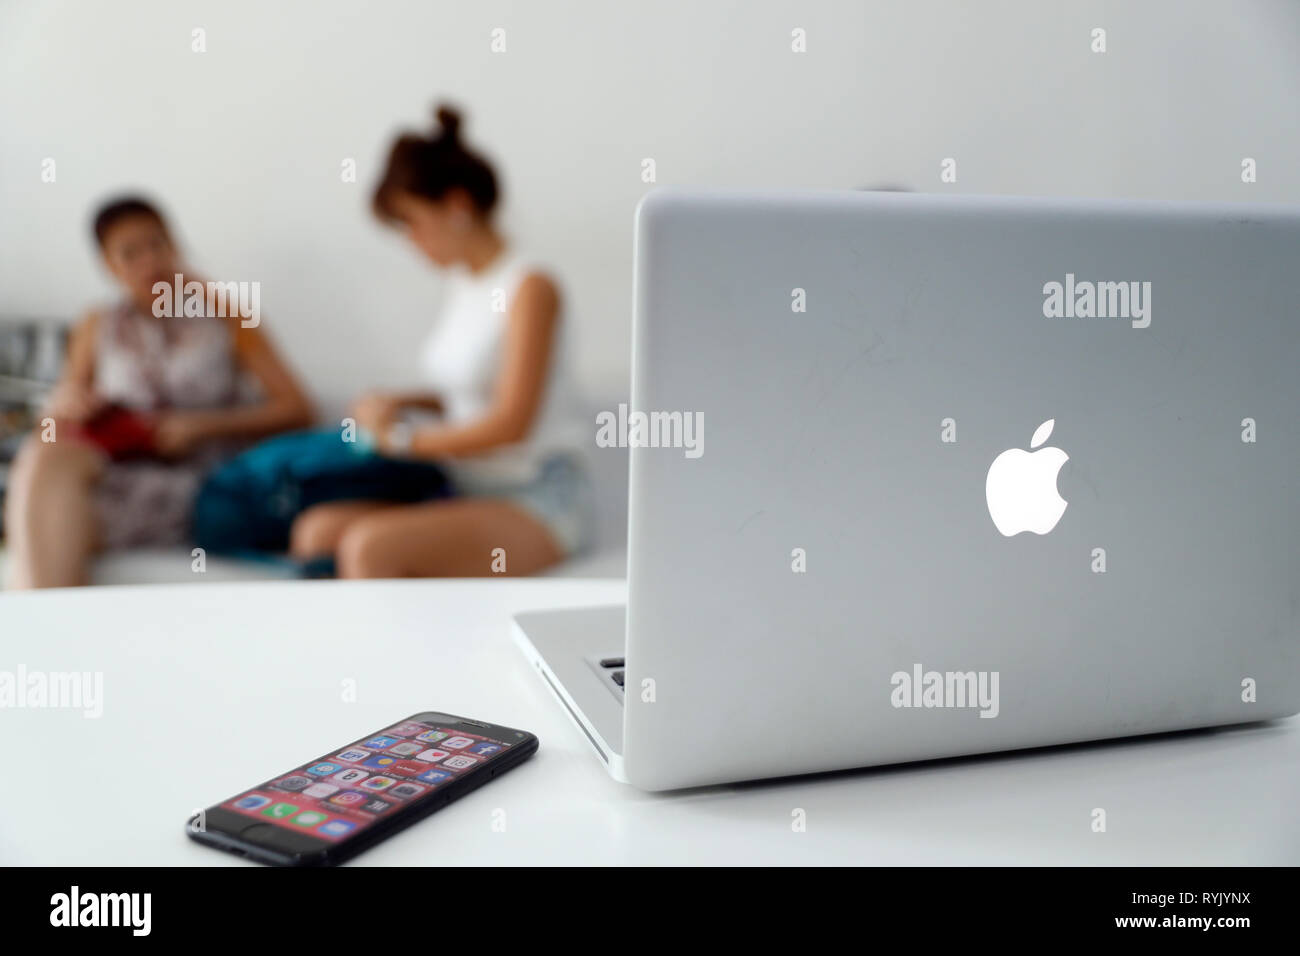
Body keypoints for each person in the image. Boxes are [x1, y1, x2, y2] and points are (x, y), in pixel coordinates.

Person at [289, 105, 591, 578]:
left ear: (456, 206)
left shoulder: (530, 286)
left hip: (536, 495)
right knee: (315, 532)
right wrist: (397, 402)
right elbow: (470, 392)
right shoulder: (466, 282)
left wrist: (403, 440)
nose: (410, 240)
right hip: (468, 484)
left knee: (371, 549)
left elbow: (511, 422)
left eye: (411, 221)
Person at [3, 197, 313, 588]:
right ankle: (47, 626)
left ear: (175, 245)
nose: (149, 261)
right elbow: (54, 423)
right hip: (116, 471)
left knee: (50, 519)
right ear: (108, 265)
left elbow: (299, 410)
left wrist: (200, 426)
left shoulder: (226, 315)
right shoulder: (97, 325)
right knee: (43, 457)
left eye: (157, 244)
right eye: (130, 253)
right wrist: (64, 406)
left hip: (201, 481)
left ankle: (44, 630)